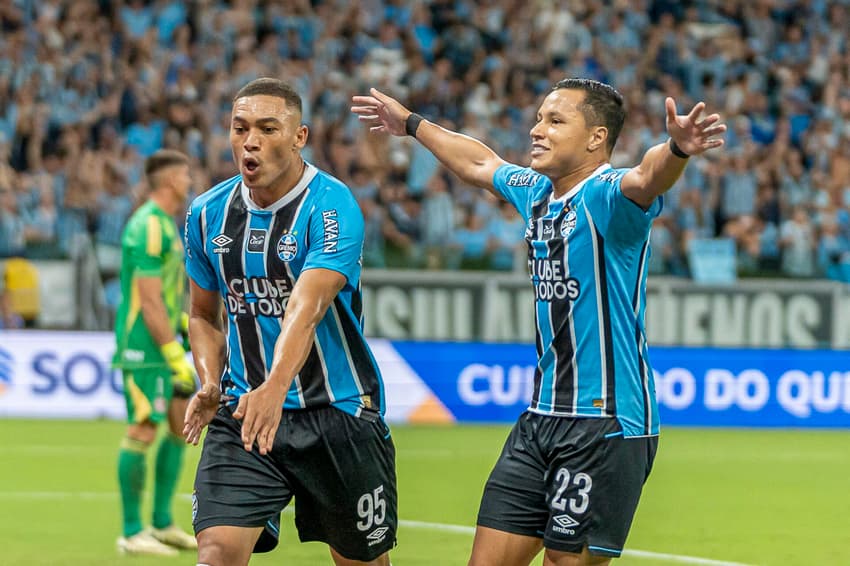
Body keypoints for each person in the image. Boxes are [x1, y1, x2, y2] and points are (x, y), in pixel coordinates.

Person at [352, 78, 725, 566]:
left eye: (555, 121)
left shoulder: (607, 197)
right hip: (540, 419)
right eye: (538, 118)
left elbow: (645, 177)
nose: (537, 130)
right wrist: (411, 124)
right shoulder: (536, 192)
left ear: (595, 138)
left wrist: (677, 149)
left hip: (605, 421)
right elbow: (480, 163)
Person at [182, 77, 397, 566]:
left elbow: (306, 309)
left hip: (336, 412)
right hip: (243, 411)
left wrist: (277, 385)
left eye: (266, 128)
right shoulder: (205, 214)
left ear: (300, 136)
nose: (249, 141)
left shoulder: (330, 206)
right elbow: (201, 314)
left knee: (361, 562)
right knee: (216, 552)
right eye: (239, 129)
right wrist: (211, 381)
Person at [112, 149, 199, 556]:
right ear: (169, 180)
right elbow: (148, 302)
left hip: (163, 341)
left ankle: (162, 522)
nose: (189, 181)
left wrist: (182, 327)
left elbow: (163, 297)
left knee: (179, 426)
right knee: (143, 429)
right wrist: (171, 349)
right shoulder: (147, 225)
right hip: (144, 348)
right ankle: (132, 531)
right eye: (184, 175)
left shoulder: (164, 224)